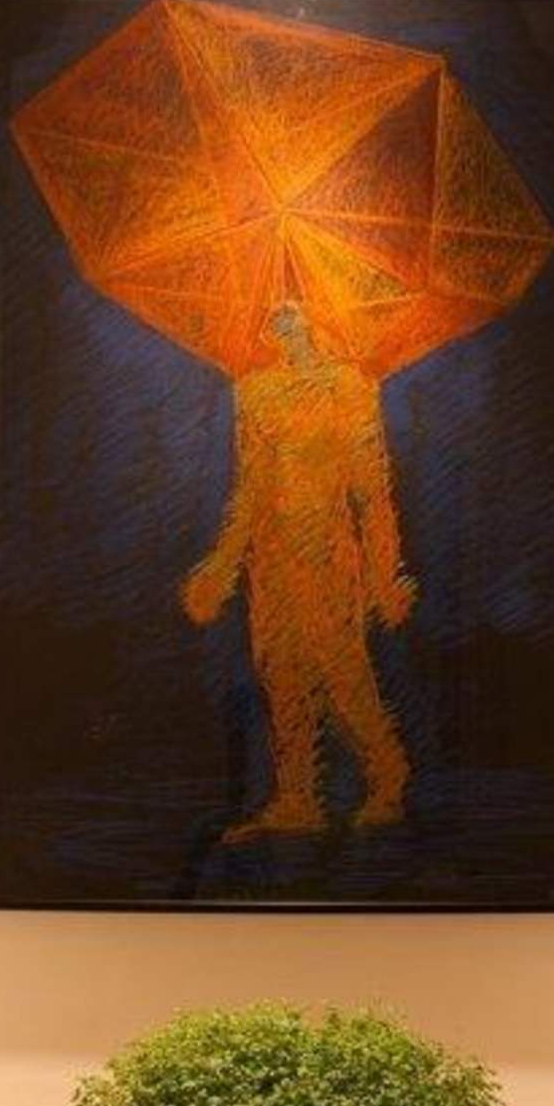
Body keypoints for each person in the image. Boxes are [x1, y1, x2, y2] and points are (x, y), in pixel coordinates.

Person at [182, 301, 416, 841]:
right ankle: (296, 799)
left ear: (317, 316)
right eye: (273, 313)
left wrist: (386, 574)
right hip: (271, 556)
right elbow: (250, 490)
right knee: (281, 672)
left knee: (342, 669)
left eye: (292, 310)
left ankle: (388, 776)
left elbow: (371, 489)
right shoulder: (254, 392)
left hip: (328, 551)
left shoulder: (350, 387)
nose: (281, 321)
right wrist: (222, 567)